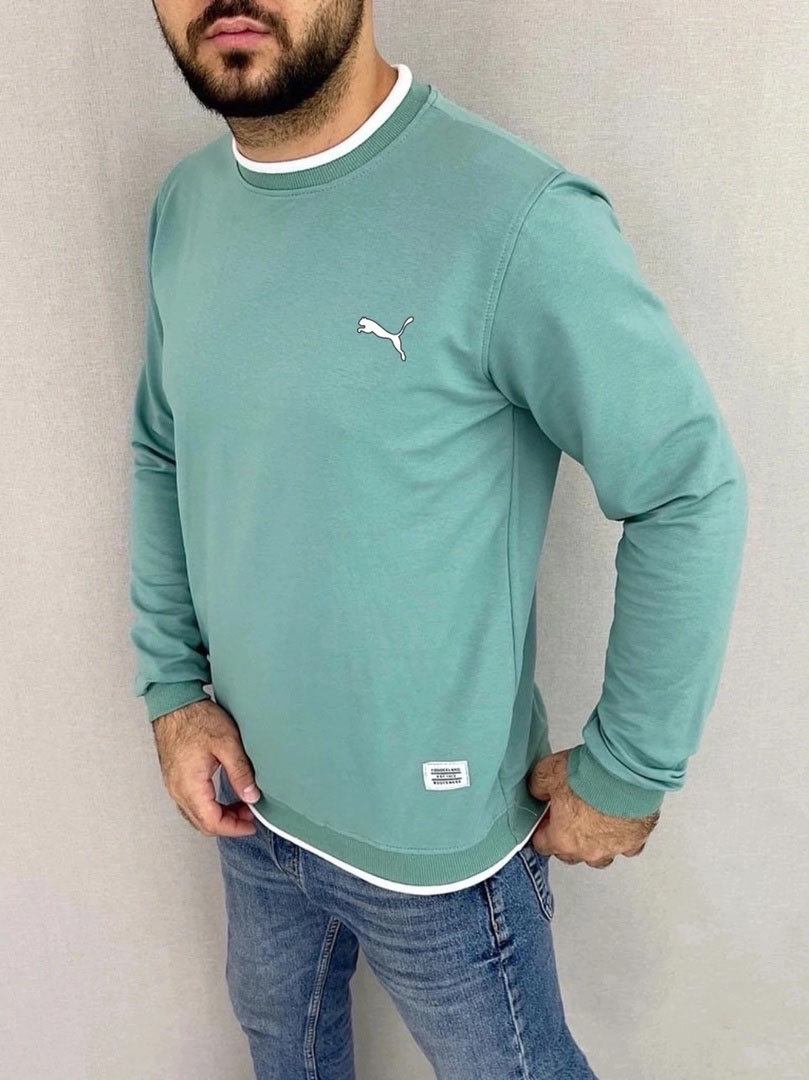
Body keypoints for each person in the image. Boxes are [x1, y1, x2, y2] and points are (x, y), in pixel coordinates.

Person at [129, 2, 749, 1076]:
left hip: (443, 858)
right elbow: (163, 450)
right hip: (250, 798)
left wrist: (627, 771)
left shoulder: (514, 217)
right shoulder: (185, 206)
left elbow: (683, 487)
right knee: (282, 1051)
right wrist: (173, 691)